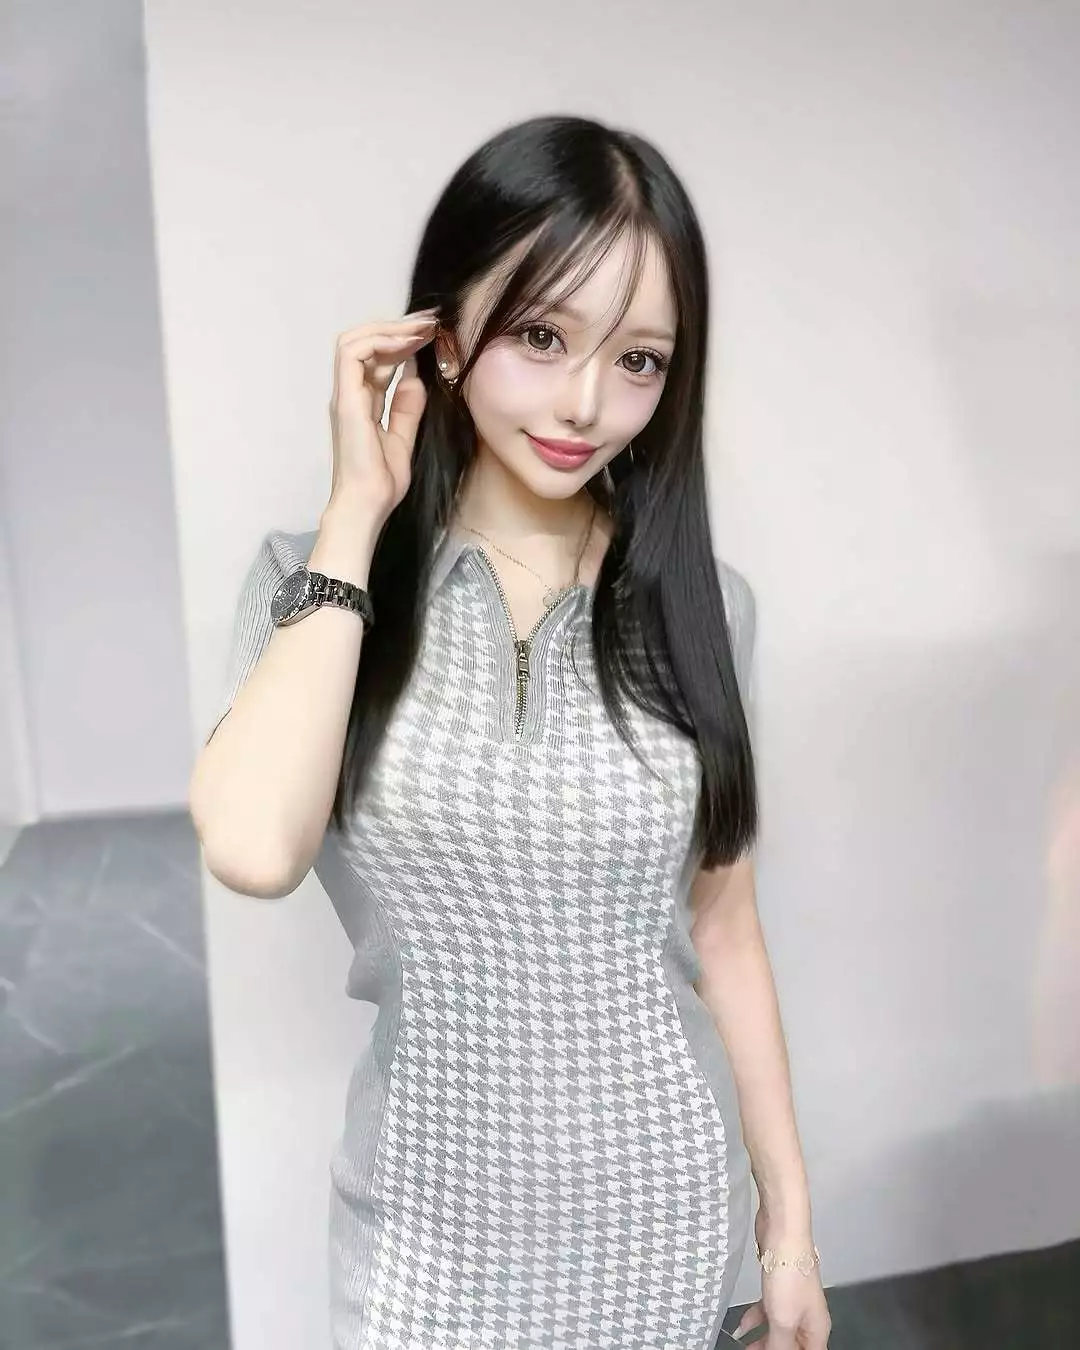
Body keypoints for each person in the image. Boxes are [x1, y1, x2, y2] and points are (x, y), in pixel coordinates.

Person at [190, 113, 831, 1350]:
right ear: (442, 334)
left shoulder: (705, 607)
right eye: (541, 337)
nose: (587, 403)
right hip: (426, 1236)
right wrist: (356, 512)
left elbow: (725, 930)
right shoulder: (314, 583)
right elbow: (256, 852)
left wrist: (788, 1233)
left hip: (660, 1220)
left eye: (639, 360)